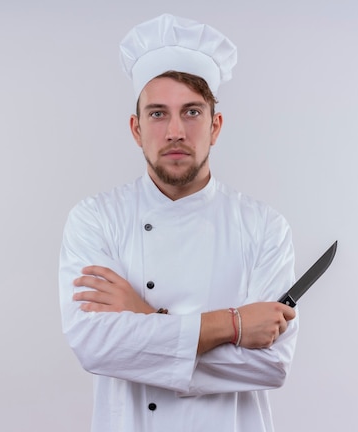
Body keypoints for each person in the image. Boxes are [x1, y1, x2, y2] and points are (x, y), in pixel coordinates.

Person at [59, 13, 299, 432]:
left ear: (215, 125)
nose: (175, 131)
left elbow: (270, 364)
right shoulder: (96, 218)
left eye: (191, 111)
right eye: (157, 114)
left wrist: (145, 321)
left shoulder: (265, 227)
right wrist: (235, 325)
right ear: (136, 129)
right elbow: (95, 346)